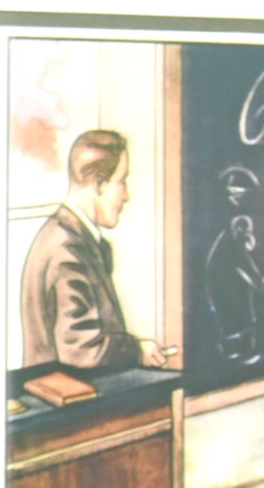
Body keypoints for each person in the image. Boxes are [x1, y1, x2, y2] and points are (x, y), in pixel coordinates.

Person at [20, 128, 170, 372]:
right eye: (121, 182)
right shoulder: (67, 250)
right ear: (98, 184)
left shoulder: (69, 237)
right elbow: (81, 349)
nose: (127, 195)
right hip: (75, 399)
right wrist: (137, 351)